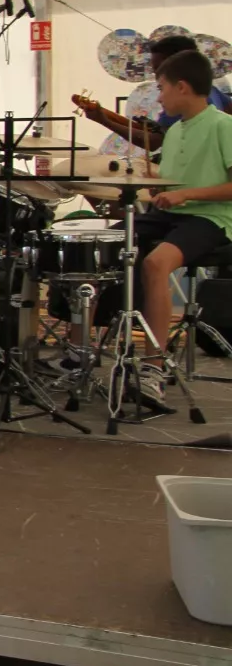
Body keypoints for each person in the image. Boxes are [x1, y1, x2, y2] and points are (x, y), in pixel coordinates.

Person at [132, 50, 232, 398]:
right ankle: (78, 353)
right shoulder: (174, 132)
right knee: (103, 249)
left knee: (156, 263)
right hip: (170, 216)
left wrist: (186, 194)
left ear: (183, 87)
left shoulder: (224, 125)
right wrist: (152, 184)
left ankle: (153, 369)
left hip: (211, 218)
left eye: (161, 88)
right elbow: (171, 185)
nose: (159, 97)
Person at [78, 35, 232, 154]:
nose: (156, 74)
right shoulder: (210, 92)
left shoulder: (181, 109)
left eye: (158, 68)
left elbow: (154, 142)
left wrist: (104, 120)